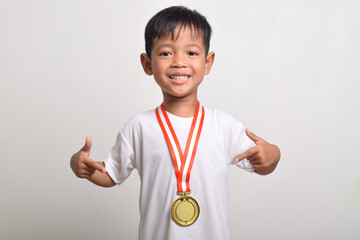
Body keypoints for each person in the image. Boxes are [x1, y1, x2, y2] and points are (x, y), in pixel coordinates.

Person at [70, 6, 280, 240]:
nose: (179, 62)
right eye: (166, 53)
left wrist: (273, 154)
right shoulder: (138, 127)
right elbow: (110, 175)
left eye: (191, 53)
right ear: (147, 63)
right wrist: (83, 167)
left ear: (207, 63)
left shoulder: (223, 125)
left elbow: (263, 164)